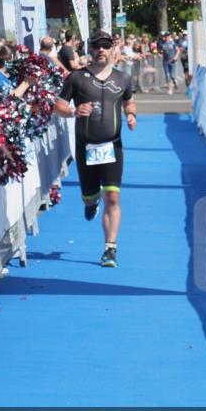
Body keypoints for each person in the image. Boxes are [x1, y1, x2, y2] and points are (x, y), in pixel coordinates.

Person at [55, 29, 137, 268]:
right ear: (89, 49)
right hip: (86, 146)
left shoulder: (123, 78)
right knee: (90, 197)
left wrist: (131, 115)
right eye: (96, 46)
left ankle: (110, 249)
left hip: (113, 146)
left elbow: (129, 101)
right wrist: (72, 111)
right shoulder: (76, 78)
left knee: (113, 196)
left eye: (105, 45)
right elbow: (58, 105)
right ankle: (91, 203)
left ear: (112, 49)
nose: (101, 50)